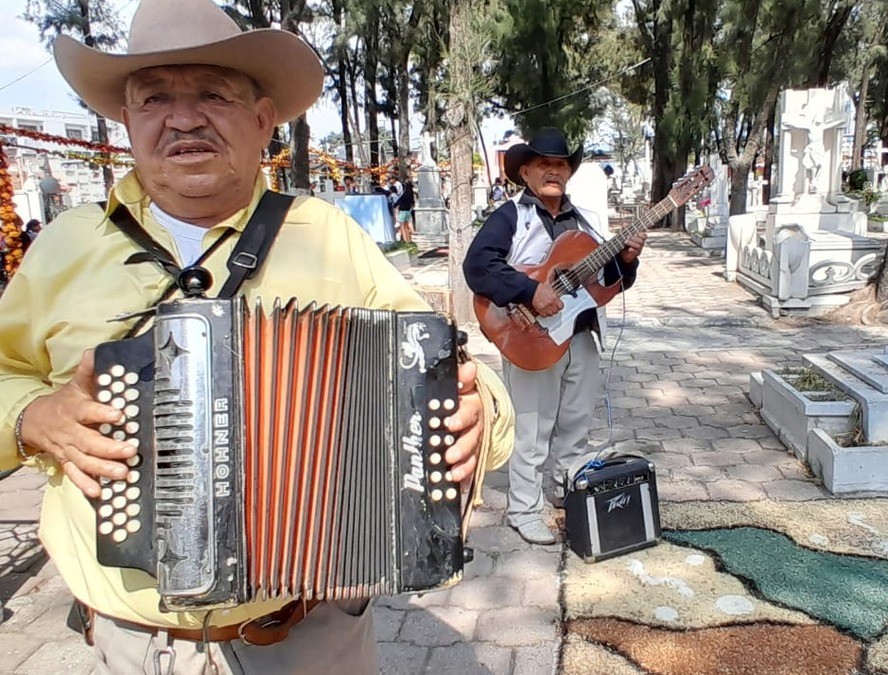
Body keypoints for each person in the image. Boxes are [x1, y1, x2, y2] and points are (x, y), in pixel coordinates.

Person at [0, 1, 513, 673]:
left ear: (262, 120)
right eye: (154, 98)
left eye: (212, 93)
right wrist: (33, 416)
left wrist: (482, 412)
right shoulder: (64, 245)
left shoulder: (325, 234)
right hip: (135, 642)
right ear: (126, 121)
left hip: (310, 635)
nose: (184, 118)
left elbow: (453, 371)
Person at [463, 128, 647, 545]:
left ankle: (570, 489)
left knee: (576, 425)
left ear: (568, 172)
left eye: (560, 164)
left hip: (580, 334)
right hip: (527, 334)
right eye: (543, 164)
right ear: (525, 171)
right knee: (532, 426)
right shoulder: (511, 216)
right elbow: (477, 267)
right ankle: (523, 509)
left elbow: (606, 281)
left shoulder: (582, 222)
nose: (552, 171)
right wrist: (531, 291)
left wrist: (628, 260)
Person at [395, 177, 415, 242]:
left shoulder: (404, 194)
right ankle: (409, 240)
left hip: (402, 211)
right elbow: (412, 203)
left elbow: (398, 202)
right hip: (408, 211)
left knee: (402, 227)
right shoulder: (411, 195)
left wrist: (395, 205)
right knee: (406, 227)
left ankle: (406, 240)